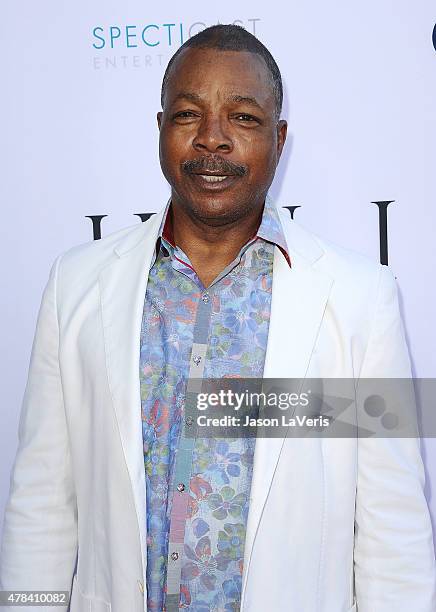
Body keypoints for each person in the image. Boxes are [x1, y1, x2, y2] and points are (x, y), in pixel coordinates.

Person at [0, 24, 435, 612]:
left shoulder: (363, 299)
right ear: (159, 130)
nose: (213, 140)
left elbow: (394, 529)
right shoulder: (76, 284)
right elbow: (41, 506)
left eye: (244, 118)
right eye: (188, 115)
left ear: (279, 139)